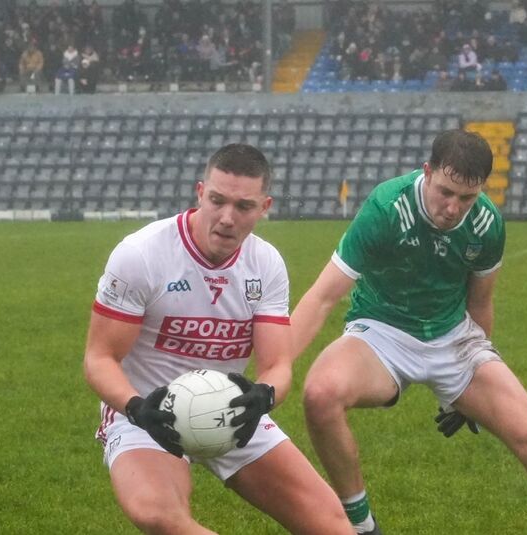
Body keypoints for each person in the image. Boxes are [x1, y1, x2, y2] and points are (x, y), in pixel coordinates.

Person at [291, 130, 527, 535]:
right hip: (381, 331)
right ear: (427, 172)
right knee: (319, 394)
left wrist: (465, 389)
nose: (453, 208)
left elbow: (481, 303)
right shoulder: (386, 206)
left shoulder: (487, 225)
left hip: (454, 338)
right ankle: (362, 525)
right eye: (445, 192)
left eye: (466, 198)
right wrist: (275, 371)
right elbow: (324, 296)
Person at [84, 144, 354, 535]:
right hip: (144, 412)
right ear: (200, 193)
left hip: (231, 411)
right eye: (217, 200)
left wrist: (263, 397)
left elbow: (277, 365)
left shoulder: (266, 264)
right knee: (159, 515)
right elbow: (99, 358)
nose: (227, 218)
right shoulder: (141, 254)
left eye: (244, 206)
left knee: (332, 525)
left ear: (265, 207)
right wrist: (138, 408)